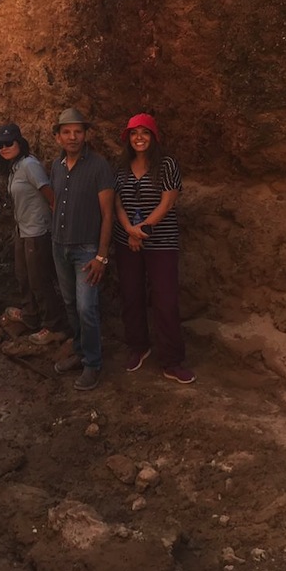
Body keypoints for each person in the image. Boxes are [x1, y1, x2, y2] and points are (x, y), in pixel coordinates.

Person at [113, 113, 195, 384]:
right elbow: (117, 204)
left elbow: (168, 201)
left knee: (165, 300)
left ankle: (171, 360)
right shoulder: (121, 167)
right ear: (127, 138)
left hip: (161, 240)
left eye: (144, 132)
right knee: (131, 295)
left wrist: (143, 230)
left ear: (154, 137)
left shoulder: (167, 164)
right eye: (134, 133)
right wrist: (129, 231)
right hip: (128, 241)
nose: (139, 138)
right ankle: (138, 346)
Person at [50, 108, 115, 392]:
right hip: (59, 245)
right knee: (69, 304)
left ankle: (93, 363)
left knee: (87, 307)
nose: (73, 137)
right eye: (67, 132)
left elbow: (108, 214)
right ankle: (79, 351)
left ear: (85, 135)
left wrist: (101, 255)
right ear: (58, 137)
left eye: (78, 132)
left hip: (87, 249)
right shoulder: (56, 165)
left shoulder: (99, 166)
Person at [0, 123, 64, 344]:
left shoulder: (30, 165)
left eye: (9, 143)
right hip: (22, 230)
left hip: (37, 231)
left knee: (39, 280)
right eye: (0, 145)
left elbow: (51, 196)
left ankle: (52, 325)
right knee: (23, 276)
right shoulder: (15, 167)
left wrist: (53, 226)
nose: (4, 148)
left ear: (19, 143)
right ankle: (30, 315)